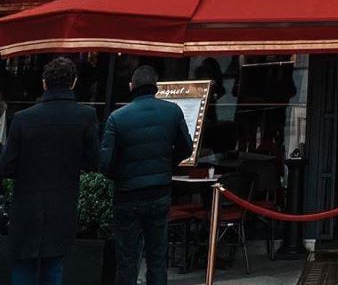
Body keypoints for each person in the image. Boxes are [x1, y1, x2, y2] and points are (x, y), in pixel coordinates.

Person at [0, 56, 99, 285]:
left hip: (27, 202)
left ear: (44, 83)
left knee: (23, 266)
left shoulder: (23, 119)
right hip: (62, 201)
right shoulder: (85, 116)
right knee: (53, 267)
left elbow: (6, 165)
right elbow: (93, 160)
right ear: (73, 83)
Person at [100, 65, 193, 285]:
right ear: (156, 87)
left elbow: (105, 162)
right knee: (158, 257)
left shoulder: (117, 118)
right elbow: (186, 148)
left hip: (127, 194)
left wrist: (120, 175)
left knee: (127, 259)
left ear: (132, 86)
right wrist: (167, 165)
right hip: (159, 191)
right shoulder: (172, 111)